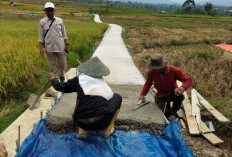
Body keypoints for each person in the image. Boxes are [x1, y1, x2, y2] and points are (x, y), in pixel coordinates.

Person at [48, 57, 122, 138]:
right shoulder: (103, 84)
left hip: (81, 121)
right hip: (102, 123)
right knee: (117, 97)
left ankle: (82, 131)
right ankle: (108, 130)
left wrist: (53, 79)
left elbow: (60, 87)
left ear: (86, 70)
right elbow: (109, 98)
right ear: (100, 73)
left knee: (83, 97)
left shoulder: (79, 80)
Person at [138, 54, 192, 120]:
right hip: (161, 94)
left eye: (157, 68)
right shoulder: (152, 72)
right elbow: (147, 84)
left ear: (162, 67)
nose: (155, 70)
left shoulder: (173, 70)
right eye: (154, 68)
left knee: (179, 98)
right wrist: (142, 94)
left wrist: (182, 88)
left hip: (173, 92)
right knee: (165, 111)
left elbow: (188, 80)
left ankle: (174, 111)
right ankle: (169, 113)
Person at [39, 2, 69, 83]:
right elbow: (41, 36)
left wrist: (67, 44)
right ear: (45, 11)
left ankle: (62, 75)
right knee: (52, 67)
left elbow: (64, 34)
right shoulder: (42, 22)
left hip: (60, 47)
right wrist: (41, 48)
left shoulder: (60, 20)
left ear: (54, 10)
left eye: (51, 10)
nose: (50, 12)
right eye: (48, 10)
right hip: (49, 48)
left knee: (63, 64)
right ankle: (55, 82)